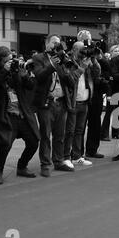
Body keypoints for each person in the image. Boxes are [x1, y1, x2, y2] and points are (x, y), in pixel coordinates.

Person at [0, 47, 40, 185]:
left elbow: (30, 86)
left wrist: (24, 74)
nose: (11, 61)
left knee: (34, 142)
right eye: (7, 60)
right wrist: (4, 70)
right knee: (4, 145)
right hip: (6, 115)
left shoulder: (17, 69)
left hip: (22, 114)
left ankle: (22, 167)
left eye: (11, 58)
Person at [32, 34, 80, 177]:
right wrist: (52, 64)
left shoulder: (63, 59)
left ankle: (58, 161)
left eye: (58, 43)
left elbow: (71, 82)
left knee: (60, 135)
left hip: (61, 102)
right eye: (54, 43)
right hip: (46, 103)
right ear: (47, 44)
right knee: (45, 135)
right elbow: (39, 76)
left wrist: (66, 68)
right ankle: (45, 164)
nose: (56, 45)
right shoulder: (38, 58)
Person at [63, 41, 94, 167]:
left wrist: (93, 60)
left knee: (79, 131)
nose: (83, 53)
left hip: (85, 101)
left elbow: (97, 74)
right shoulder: (68, 62)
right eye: (81, 50)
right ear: (75, 50)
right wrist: (82, 67)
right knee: (70, 131)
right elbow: (70, 80)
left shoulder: (86, 62)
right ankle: (66, 157)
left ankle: (77, 156)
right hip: (73, 102)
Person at [101, 44, 119, 141]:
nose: (117, 52)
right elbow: (107, 79)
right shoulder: (107, 63)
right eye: (115, 51)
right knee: (108, 113)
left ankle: (116, 132)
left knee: (118, 112)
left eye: (118, 51)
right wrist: (108, 95)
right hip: (110, 91)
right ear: (111, 53)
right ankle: (104, 134)